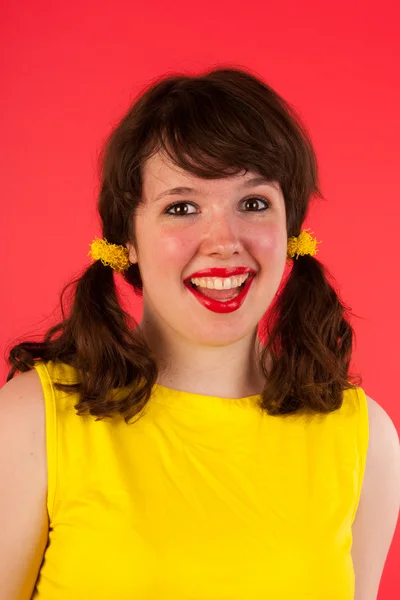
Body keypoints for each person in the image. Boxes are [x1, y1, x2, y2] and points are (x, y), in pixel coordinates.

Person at [0, 66, 399, 600]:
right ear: (128, 239)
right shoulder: (33, 421)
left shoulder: (364, 439)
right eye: (181, 207)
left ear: (292, 230)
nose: (222, 241)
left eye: (253, 203)